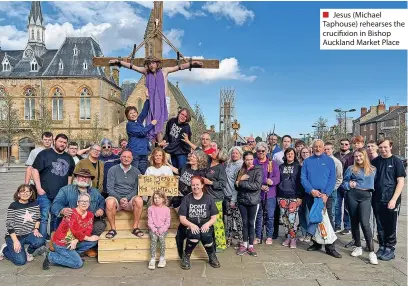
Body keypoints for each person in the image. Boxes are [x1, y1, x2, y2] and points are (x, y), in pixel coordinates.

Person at [109, 56, 203, 143]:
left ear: (157, 63)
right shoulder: (146, 72)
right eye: (149, 63)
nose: (151, 65)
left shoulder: (164, 71)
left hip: (162, 102)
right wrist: (119, 62)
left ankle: (160, 149)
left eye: (153, 63)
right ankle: (154, 149)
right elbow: (132, 66)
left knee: (159, 127)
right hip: (152, 103)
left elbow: (180, 66)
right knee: (151, 127)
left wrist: (192, 64)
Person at [51, 168, 106, 258]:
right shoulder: (65, 190)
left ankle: (81, 248)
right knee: (68, 228)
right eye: (81, 177)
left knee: (100, 225)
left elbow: (102, 201)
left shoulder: (95, 192)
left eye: (87, 177)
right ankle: (62, 245)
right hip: (72, 224)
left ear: (90, 180)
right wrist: (62, 210)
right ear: (76, 178)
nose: (84, 179)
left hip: (86, 223)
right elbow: (55, 204)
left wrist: (101, 209)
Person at [301, 139, 342, 258]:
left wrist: (326, 194)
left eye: (320, 147)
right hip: (312, 195)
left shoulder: (329, 161)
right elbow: (303, 178)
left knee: (328, 220)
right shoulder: (307, 161)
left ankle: (330, 247)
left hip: (325, 196)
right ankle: (316, 243)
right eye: (316, 147)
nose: (318, 149)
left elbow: (332, 179)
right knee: (314, 219)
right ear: (312, 148)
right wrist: (311, 190)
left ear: (323, 148)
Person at [32, 133, 75, 239]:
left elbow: (70, 175)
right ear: (55, 141)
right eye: (60, 141)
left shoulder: (69, 158)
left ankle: (54, 240)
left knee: (57, 217)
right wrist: (38, 188)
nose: (62, 144)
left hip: (60, 194)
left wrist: (68, 190)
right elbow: (34, 170)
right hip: (44, 192)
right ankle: (40, 241)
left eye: (65, 143)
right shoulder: (44, 154)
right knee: (43, 217)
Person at [42, 193, 100, 270]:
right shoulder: (71, 213)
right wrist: (87, 238)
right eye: (82, 201)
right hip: (62, 242)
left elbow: (88, 229)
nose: (84, 203)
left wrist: (76, 240)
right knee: (78, 264)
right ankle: (51, 256)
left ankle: (73, 255)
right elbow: (74, 230)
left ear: (89, 203)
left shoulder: (90, 215)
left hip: (75, 240)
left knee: (94, 241)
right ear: (77, 202)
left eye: (86, 201)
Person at [371, 138, 406, 261]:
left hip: (391, 198)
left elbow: (401, 182)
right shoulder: (375, 161)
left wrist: (394, 199)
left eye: (385, 147)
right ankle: (382, 246)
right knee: (379, 224)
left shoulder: (396, 161)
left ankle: (390, 248)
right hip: (377, 198)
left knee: (390, 225)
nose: (383, 149)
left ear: (390, 147)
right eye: (380, 147)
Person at [342, 148, 377, 264]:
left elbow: (376, 184)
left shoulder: (372, 169)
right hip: (353, 195)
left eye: (360, 156)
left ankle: (372, 251)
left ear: (364, 156)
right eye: (356, 156)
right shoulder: (351, 169)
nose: (358, 158)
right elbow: (343, 183)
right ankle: (357, 246)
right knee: (354, 221)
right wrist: (349, 184)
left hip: (366, 196)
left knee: (365, 223)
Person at [178, 176, 220, 270]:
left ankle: (212, 256)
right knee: (194, 235)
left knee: (206, 235)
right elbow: (182, 218)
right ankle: (186, 256)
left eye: (197, 184)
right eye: (193, 185)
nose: (195, 187)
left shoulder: (208, 198)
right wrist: (191, 225)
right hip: (190, 225)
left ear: (202, 185)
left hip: (205, 224)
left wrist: (208, 224)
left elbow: (214, 217)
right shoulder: (187, 199)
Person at [0, 185, 45, 265]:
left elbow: (38, 218)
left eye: (27, 191)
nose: (25, 193)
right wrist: (15, 241)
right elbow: (9, 225)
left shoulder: (35, 204)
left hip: (28, 234)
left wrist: (36, 229)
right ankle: (5, 250)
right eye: (22, 191)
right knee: (20, 261)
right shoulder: (13, 206)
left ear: (31, 193)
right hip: (14, 237)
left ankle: (28, 251)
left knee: (40, 240)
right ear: (18, 194)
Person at [105, 150, 143, 239]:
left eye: (129, 157)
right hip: (116, 198)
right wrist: (120, 199)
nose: (126, 159)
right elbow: (110, 188)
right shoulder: (112, 170)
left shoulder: (136, 171)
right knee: (109, 202)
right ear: (120, 157)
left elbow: (136, 189)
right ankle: (113, 229)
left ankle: (135, 227)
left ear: (132, 159)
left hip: (130, 200)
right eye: (124, 156)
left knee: (139, 200)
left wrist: (127, 198)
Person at [235, 151, 263, 257]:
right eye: (247, 159)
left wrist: (241, 182)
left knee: (251, 223)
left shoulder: (258, 170)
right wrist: (238, 180)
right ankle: (244, 244)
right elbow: (236, 186)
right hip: (242, 200)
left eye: (251, 159)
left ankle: (251, 245)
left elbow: (256, 186)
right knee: (244, 223)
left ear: (253, 159)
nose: (249, 161)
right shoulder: (241, 170)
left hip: (253, 201)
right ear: (244, 160)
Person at [254, 142, 280, 245]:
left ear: (266, 151)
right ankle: (258, 236)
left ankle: (269, 236)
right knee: (258, 216)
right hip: (257, 194)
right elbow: (252, 177)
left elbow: (277, 177)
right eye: (258, 151)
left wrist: (271, 181)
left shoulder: (271, 163)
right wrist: (262, 184)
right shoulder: (254, 162)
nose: (261, 153)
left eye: (263, 151)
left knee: (270, 216)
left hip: (270, 194)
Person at [277, 148, 304, 249]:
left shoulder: (299, 167)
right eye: (288, 153)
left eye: (291, 153)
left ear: (295, 155)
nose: (289, 155)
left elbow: (301, 183)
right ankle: (288, 236)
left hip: (294, 196)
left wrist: (300, 196)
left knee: (292, 219)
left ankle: (293, 238)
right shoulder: (281, 166)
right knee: (284, 218)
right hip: (282, 195)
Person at [125, 94, 158, 174]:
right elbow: (142, 132)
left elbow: (144, 113)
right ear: (128, 116)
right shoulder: (130, 125)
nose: (133, 114)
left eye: (134, 112)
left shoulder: (138, 121)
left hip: (143, 153)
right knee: (134, 173)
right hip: (135, 153)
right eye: (130, 113)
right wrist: (151, 124)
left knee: (142, 173)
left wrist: (147, 99)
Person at [203, 148, 228, 251]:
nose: (213, 152)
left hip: (216, 198)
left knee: (217, 221)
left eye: (215, 152)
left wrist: (210, 183)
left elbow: (223, 184)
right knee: (207, 221)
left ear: (219, 156)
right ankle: (209, 241)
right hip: (206, 196)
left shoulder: (220, 168)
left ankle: (221, 244)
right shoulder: (208, 162)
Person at [224, 146, 244, 248]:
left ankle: (241, 241)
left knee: (238, 219)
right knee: (229, 220)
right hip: (226, 195)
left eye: (236, 153)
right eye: (233, 153)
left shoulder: (241, 166)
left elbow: (238, 184)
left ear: (240, 154)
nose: (234, 155)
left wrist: (233, 199)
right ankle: (228, 239)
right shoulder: (229, 164)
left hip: (234, 197)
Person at [147, 189, 171, 270]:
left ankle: (162, 258)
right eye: (155, 198)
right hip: (153, 229)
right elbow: (150, 222)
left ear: (163, 199)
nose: (156, 200)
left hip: (163, 229)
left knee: (161, 238)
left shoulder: (167, 209)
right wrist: (154, 229)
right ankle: (152, 259)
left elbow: (167, 223)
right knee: (153, 238)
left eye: (159, 198)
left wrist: (161, 230)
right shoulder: (150, 208)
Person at [334, 138, 353, 235]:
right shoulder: (336, 155)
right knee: (337, 206)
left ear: (349, 145)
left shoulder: (352, 155)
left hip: (347, 183)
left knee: (347, 206)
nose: (344, 146)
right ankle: (337, 225)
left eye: (346, 144)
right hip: (337, 184)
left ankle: (347, 226)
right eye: (342, 144)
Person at [324, 142, 343, 228]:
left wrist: (333, 188)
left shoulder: (337, 162)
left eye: (328, 149)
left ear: (332, 150)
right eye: (325, 149)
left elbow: (339, 178)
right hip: (321, 190)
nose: (326, 151)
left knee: (331, 213)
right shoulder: (320, 160)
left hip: (331, 191)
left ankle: (331, 232)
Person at [298, 146, 311, 241]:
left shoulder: (313, 163)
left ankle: (309, 234)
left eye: (307, 152)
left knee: (308, 214)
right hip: (299, 192)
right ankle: (303, 233)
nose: (305, 154)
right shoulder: (298, 164)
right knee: (301, 214)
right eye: (303, 152)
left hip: (309, 192)